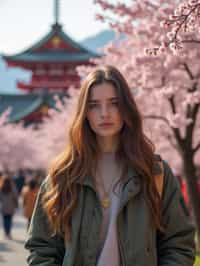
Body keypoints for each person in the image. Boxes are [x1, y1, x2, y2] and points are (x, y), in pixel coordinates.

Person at [25, 66, 195, 266]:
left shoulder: (154, 172)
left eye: (114, 103)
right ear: (84, 113)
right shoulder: (63, 175)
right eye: (94, 105)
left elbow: (179, 244)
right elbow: (41, 248)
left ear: (126, 108)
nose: (104, 113)